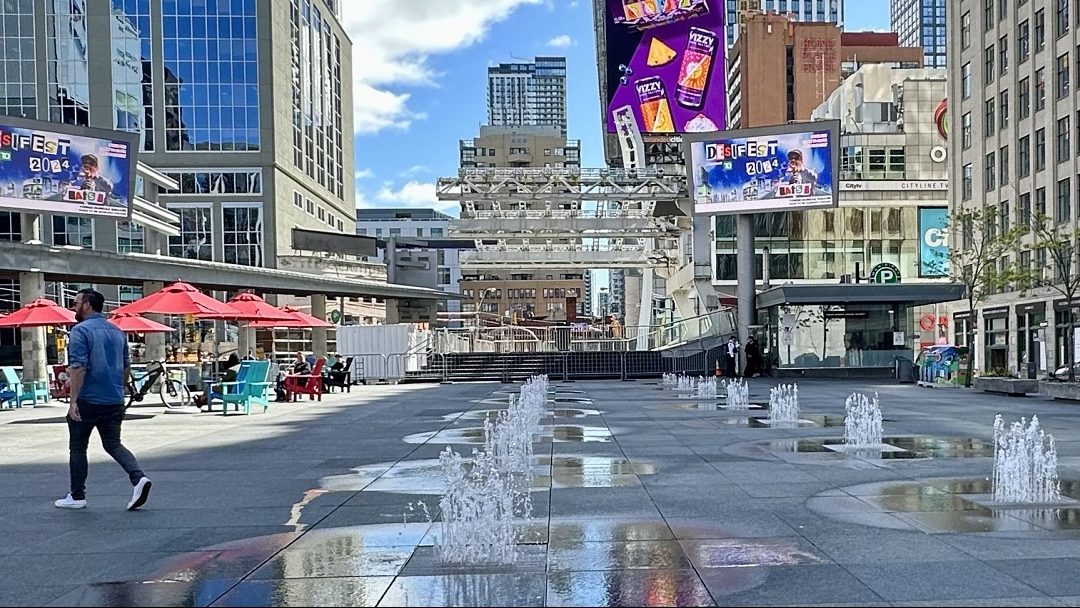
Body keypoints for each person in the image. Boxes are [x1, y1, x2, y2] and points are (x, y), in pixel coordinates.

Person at [56, 288, 151, 511]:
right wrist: (120, 390)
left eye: (75, 302)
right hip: (113, 399)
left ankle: (77, 496)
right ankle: (138, 478)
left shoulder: (80, 331)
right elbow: (126, 367)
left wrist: (73, 402)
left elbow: (78, 367)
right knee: (113, 444)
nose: (73, 307)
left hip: (88, 399)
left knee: (78, 447)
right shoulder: (117, 331)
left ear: (87, 305)